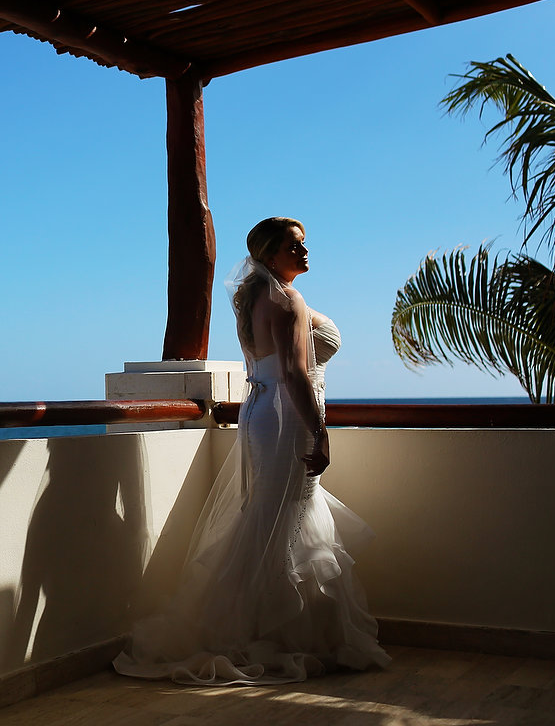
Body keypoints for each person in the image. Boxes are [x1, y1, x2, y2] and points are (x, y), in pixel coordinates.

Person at [113, 216, 391, 685]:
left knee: (272, 516)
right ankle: (269, 634)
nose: (304, 252)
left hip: (262, 412)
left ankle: (268, 627)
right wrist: (319, 432)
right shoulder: (287, 301)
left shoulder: (256, 299)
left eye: (303, 244)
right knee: (280, 520)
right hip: (288, 417)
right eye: (293, 246)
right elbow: (298, 374)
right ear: (269, 254)